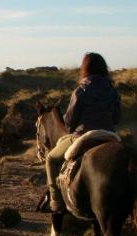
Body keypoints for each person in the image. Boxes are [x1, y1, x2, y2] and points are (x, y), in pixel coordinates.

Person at [46, 52, 121, 212]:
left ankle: (55, 200)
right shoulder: (112, 90)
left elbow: (69, 123)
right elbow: (116, 118)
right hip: (109, 135)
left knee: (50, 159)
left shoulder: (80, 91)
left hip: (83, 136)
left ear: (85, 68)